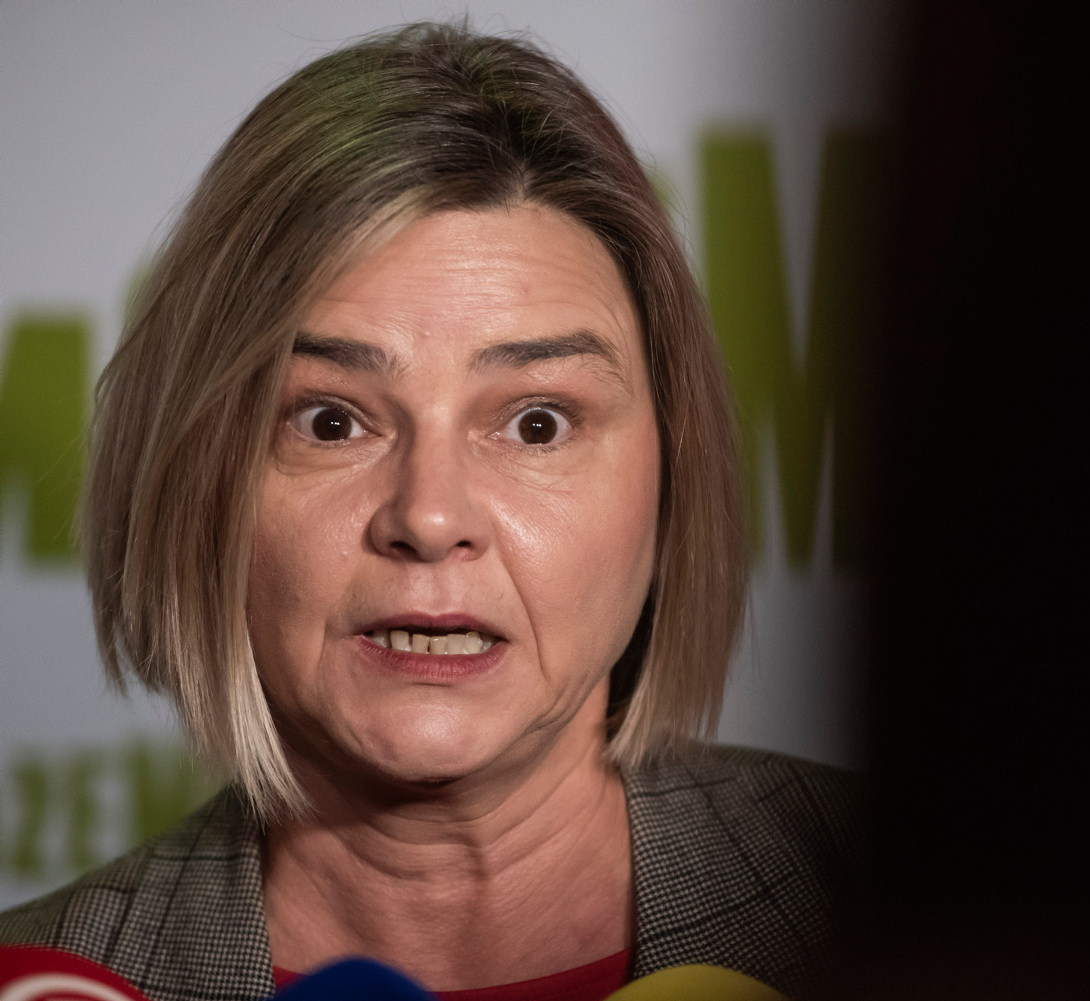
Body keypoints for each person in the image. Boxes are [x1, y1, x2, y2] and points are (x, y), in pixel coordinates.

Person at [0, 23, 858, 1001]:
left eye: (537, 424)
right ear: (201, 485)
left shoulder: (932, 900)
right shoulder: (46, 977)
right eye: (331, 421)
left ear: (674, 476)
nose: (431, 516)